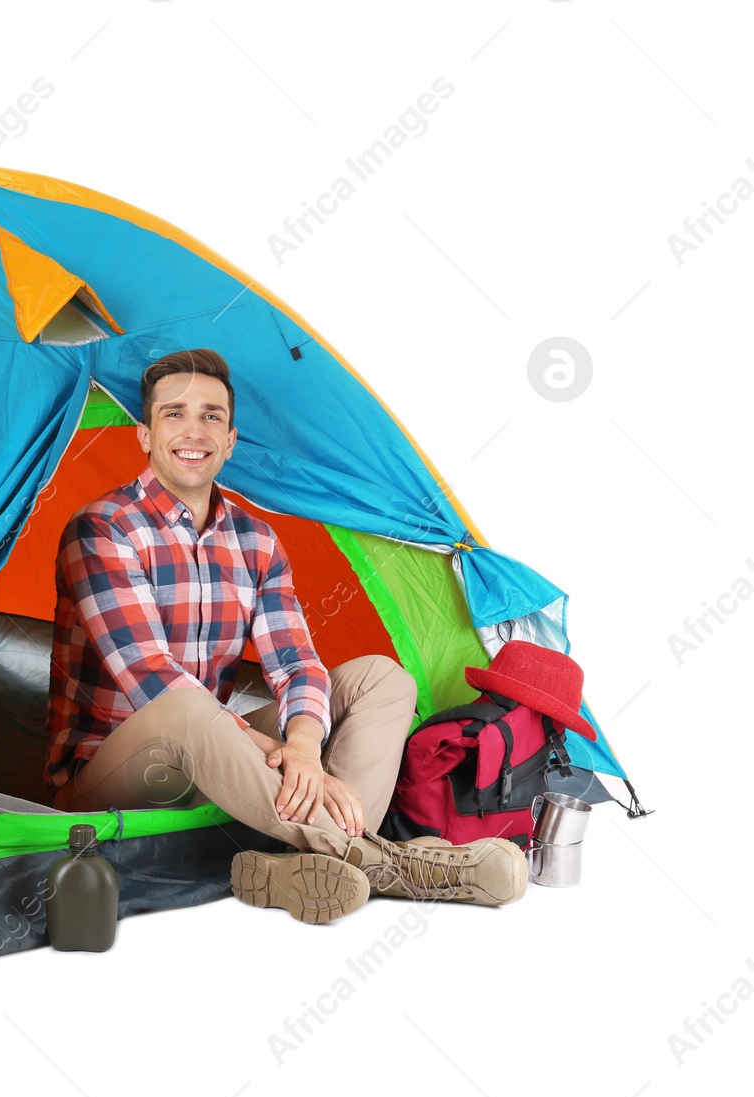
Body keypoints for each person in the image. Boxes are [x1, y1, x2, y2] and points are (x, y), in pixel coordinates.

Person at [43, 348, 526, 923]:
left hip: (218, 756)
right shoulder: (102, 529)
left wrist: (301, 746)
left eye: (211, 416)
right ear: (144, 434)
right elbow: (152, 678)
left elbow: (296, 663)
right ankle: (397, 864)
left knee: (382, 679)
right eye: (174, 414)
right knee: (186, 708)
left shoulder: (257, 542)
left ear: (230, 440)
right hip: (114, 773)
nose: (193, 431)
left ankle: (304, 864)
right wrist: (281, 752)